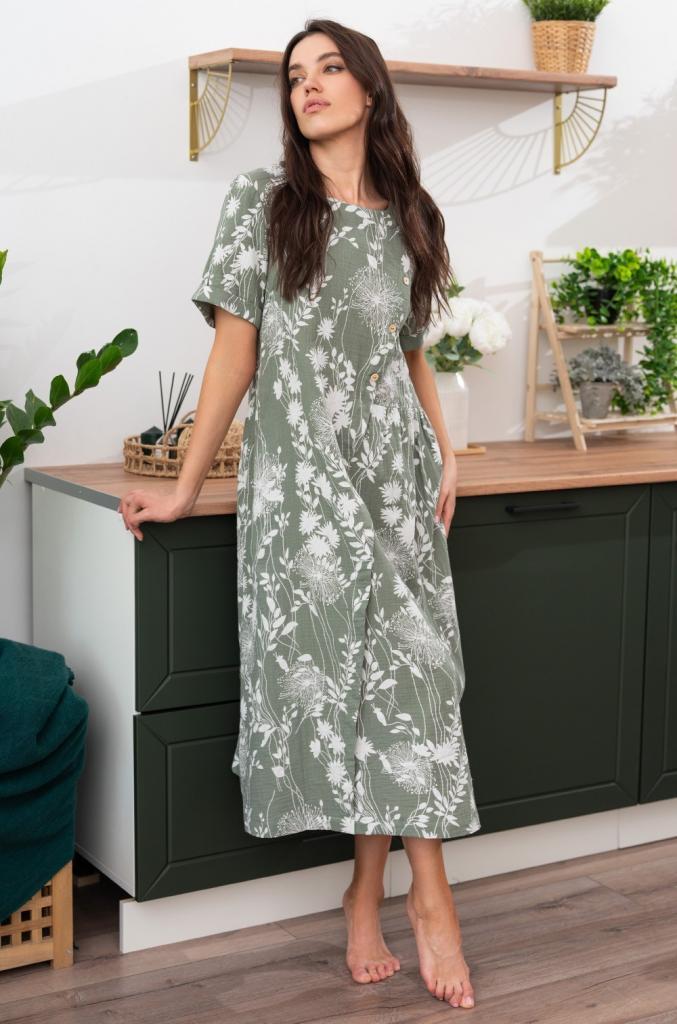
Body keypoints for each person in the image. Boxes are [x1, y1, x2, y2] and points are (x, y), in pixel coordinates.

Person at [118, 17, 480, 1010]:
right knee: (362, 682)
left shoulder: (413, 213)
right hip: (305, 491)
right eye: (293, 76)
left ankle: (384, 892)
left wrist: (445, 447)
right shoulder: (264, 202)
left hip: (395, 478)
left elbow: (408, 348)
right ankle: (414, 895)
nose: (308, 85)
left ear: (368, 88)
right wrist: (188, 486)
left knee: (409, 678)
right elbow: (234, 353)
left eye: (328, 68)